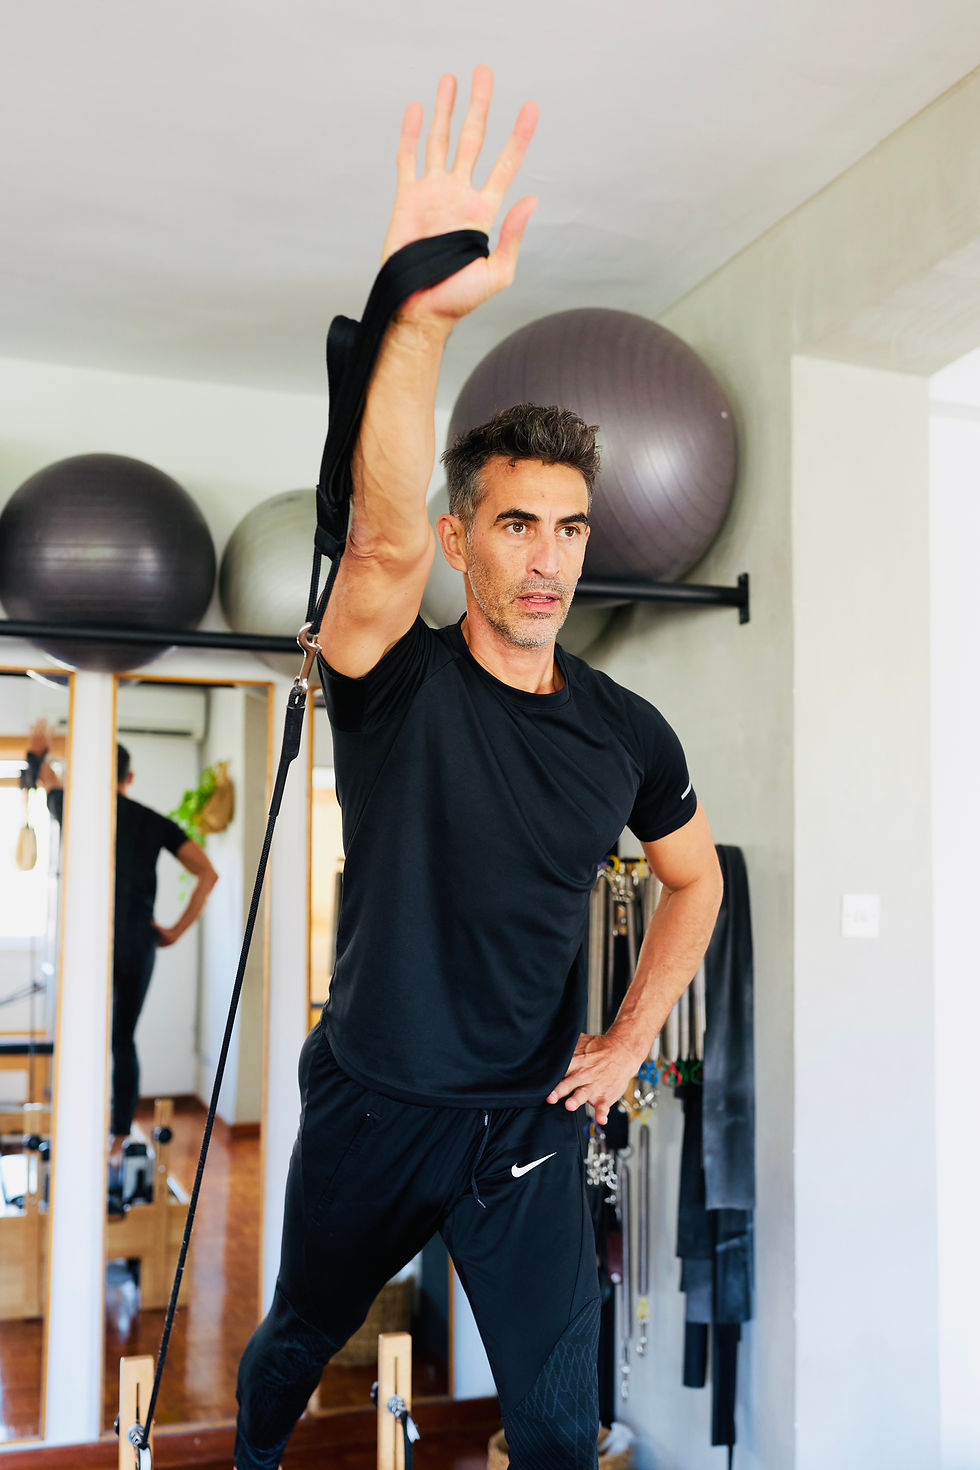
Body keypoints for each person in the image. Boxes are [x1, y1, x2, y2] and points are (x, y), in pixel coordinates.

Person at [234, 68, 724, 1470]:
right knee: (292, 1341)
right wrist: (417, 311)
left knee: (563, 1433)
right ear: (466, 540)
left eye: (569, 526)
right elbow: (373, 547)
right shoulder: (397, 682)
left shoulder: (628, 731)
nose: (550, 556)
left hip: (524, 1123)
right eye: (517, 523)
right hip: (373, 1097)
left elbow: (689, 882)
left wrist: (630, 1033)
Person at [27, 723, 218, 1163]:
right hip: (138, 944)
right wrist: (176, 929)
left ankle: (81, 1124)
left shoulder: (75, 810)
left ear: (95, 773)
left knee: (84, 1035)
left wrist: (40, 753)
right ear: (129, 778)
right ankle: (116, 1139)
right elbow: (208, 872)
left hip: (91, 945)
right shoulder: (152, 822)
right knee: (122, 1040)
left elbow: (46, 779)